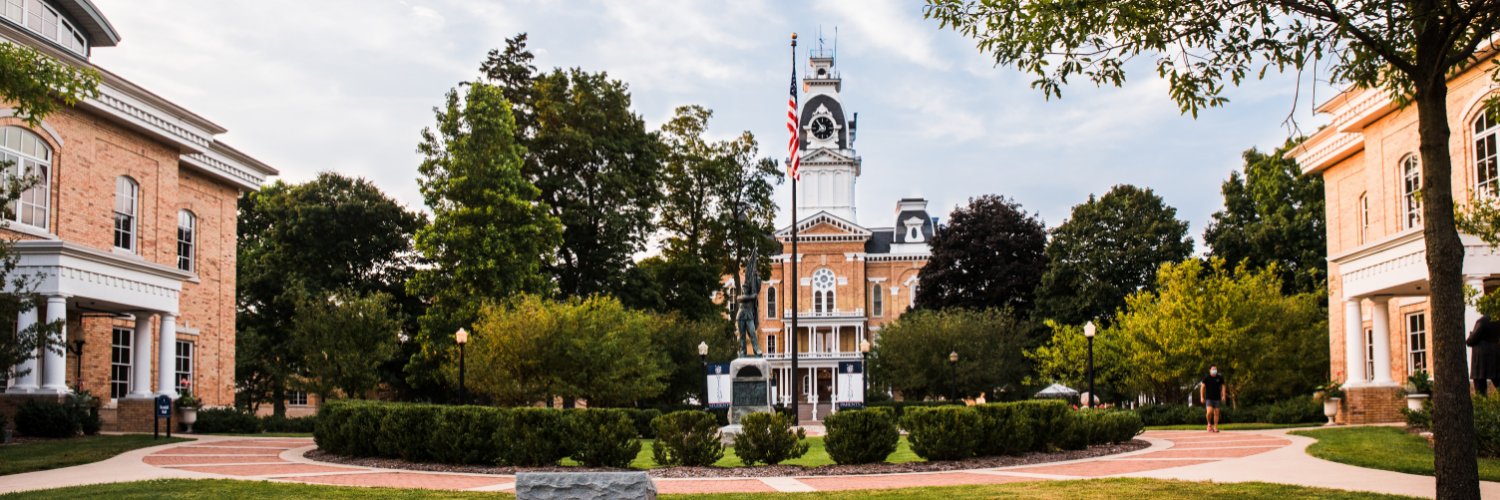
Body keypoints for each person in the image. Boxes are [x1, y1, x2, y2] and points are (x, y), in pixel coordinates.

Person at [1468, 314, 1500, 396]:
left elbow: (1471, 340)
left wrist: (1470, 335)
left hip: (1480, 359)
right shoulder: (1496, 322)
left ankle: (1481, 405)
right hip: (1495, 355)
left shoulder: (1482, 321)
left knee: (1480, 387)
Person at [1200, 365, 1226, 432]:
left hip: (1217, 398)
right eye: (1213, 369)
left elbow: (1223, 386)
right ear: (1210, 370)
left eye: (1215, 369)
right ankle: (1209, 424)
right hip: (1209, 398)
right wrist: (1202, 397)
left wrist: (1223, 395)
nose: (1214, 370)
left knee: (1217, 413)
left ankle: (1215, 427)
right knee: (1209, 412)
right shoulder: (1206, 378)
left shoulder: (1219, 378)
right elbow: (1202, 387)